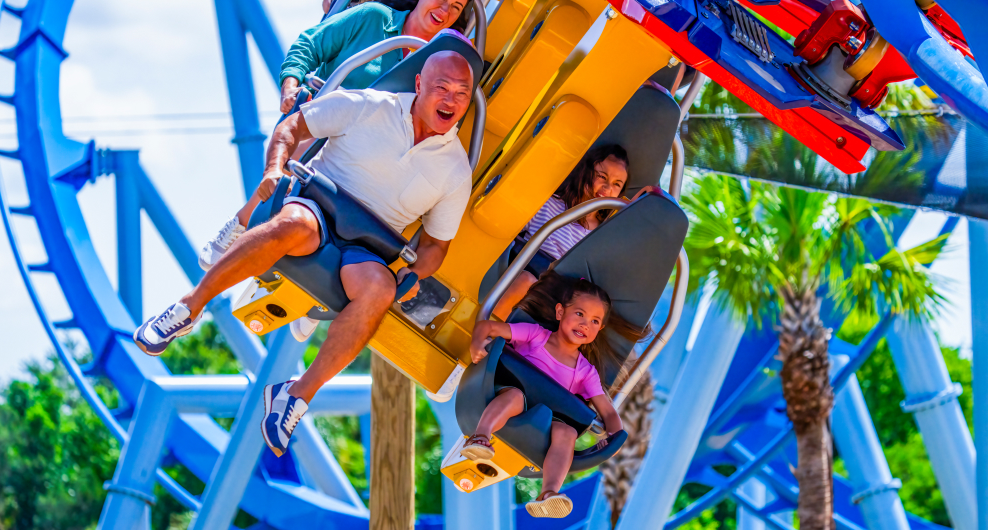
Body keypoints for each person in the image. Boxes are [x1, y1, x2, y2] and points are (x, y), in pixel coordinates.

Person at [133, 51, 475, 457]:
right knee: (293, 226)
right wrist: (274, 169)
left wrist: (416, 275)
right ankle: (188, 308)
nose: (451, 100)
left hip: (367, 247)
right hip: (318, 208)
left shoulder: (454, 170)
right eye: (442, 88)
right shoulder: (366, 105)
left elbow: (436, 245)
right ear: (419, 85)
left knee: (379, 291)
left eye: (461, 93)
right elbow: (292, 128)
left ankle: (294, 396)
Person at [198, 0, 470, 307]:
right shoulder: (373, 18)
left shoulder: (440, 67)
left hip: (366, 160)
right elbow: (311, 44)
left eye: (456, 7)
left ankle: (319, 289)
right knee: (307, 146)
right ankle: (244, 221)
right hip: (327, 129)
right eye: (442, 0)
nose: (445, 10)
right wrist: (291, 83)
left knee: (400, 188)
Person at [463, 274, 639, 518]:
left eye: (595, 321)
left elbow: (607, 411)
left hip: (546, 419)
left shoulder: (586, 372)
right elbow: (488, 326)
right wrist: (476, 345)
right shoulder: (536, 335)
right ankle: (480, 436)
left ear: (600, 329)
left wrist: (614, 438)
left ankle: (548, 493)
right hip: (515, 392)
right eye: (579, 314)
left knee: (567, 432)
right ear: (560, 312)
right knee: (514, 396)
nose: (585, 324)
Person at [491, 144, 645, 321]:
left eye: (617, 184)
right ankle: (481, 334)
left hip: (557, 298)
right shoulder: (548, 204)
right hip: (523, 272)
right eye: (602, 176)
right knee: (526, 280)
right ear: (586, 172)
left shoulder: (601, 236)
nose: (607, 186)